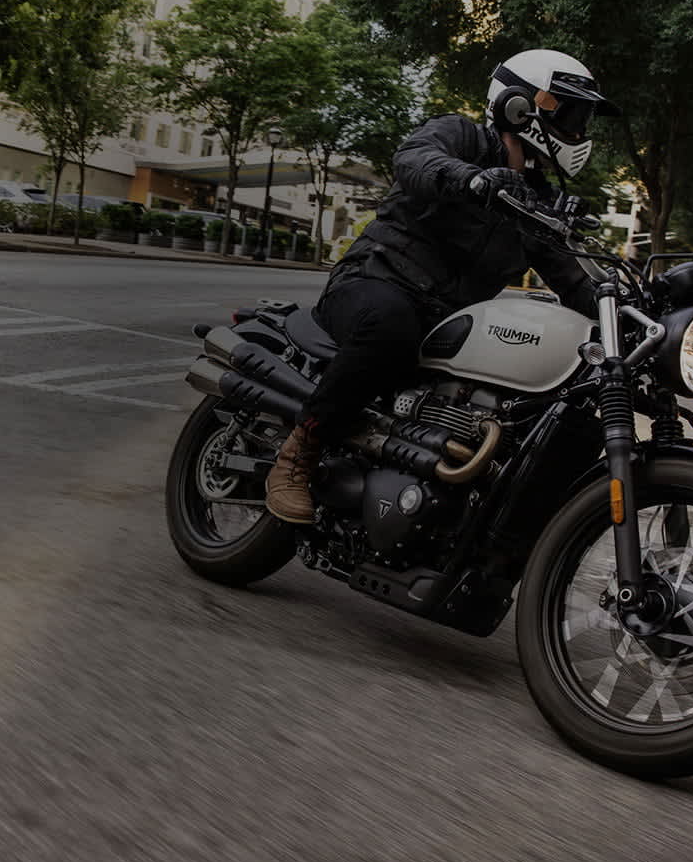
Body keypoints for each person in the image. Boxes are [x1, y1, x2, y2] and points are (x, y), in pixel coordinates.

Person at [264, 49, 619, 523]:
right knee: (390, 325)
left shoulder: (539, 202)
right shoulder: (461, 136)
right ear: (520, 105)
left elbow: (573, 278)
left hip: (443, 325)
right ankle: (298, 453)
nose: (578, 130)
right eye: (569, 113)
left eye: (583, 118)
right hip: (372, 282)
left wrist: (634, 312)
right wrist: (472, 180)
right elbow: (414, 159)